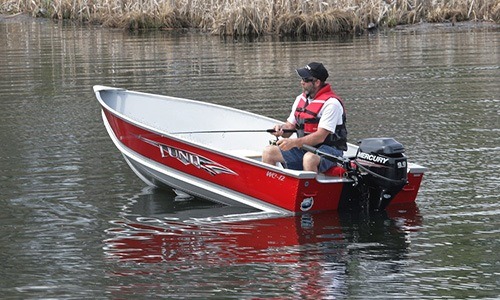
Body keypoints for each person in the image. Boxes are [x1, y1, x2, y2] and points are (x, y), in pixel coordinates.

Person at [262, 62, 347, 173]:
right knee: (269, 152)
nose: (302, 82)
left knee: (309, 158)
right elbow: (289, 127)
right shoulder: (300, 99)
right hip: (305, 147)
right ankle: (272, 187)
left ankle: (311, 190)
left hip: (330, 150)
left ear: (317, 82)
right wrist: (281, 129)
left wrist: (294, 143)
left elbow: (320, 137)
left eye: (306, 79)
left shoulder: (332, 104)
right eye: (302, 79)